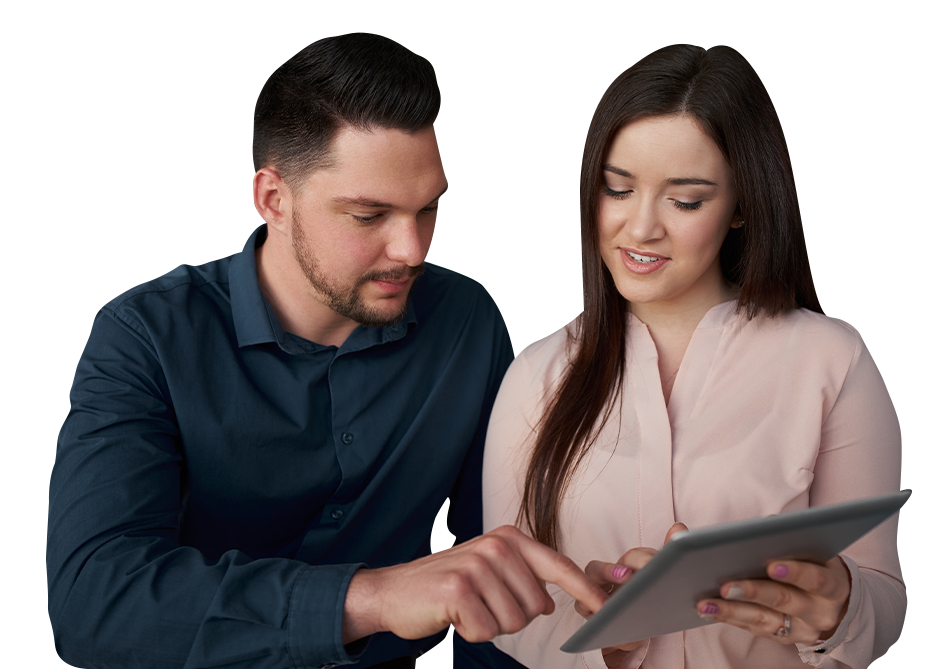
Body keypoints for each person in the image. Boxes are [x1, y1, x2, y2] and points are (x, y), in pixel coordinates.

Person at [47, 33, 607, 669]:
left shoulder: (467, 321)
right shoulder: (145, 333)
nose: (414, 250)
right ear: (274, 199)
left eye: (427, 210)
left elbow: (497, 561)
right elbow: (92, 608)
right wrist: (369, 598)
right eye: (369, 217)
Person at [483, 44, 906, 668]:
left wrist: (842, 609)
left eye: (685, 201)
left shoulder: (829, 359)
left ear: (740, 207)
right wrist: (604, 635)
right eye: (617, 189)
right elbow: (506, 611)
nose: (640, 228)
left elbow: (889, 612)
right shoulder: (536, 377)